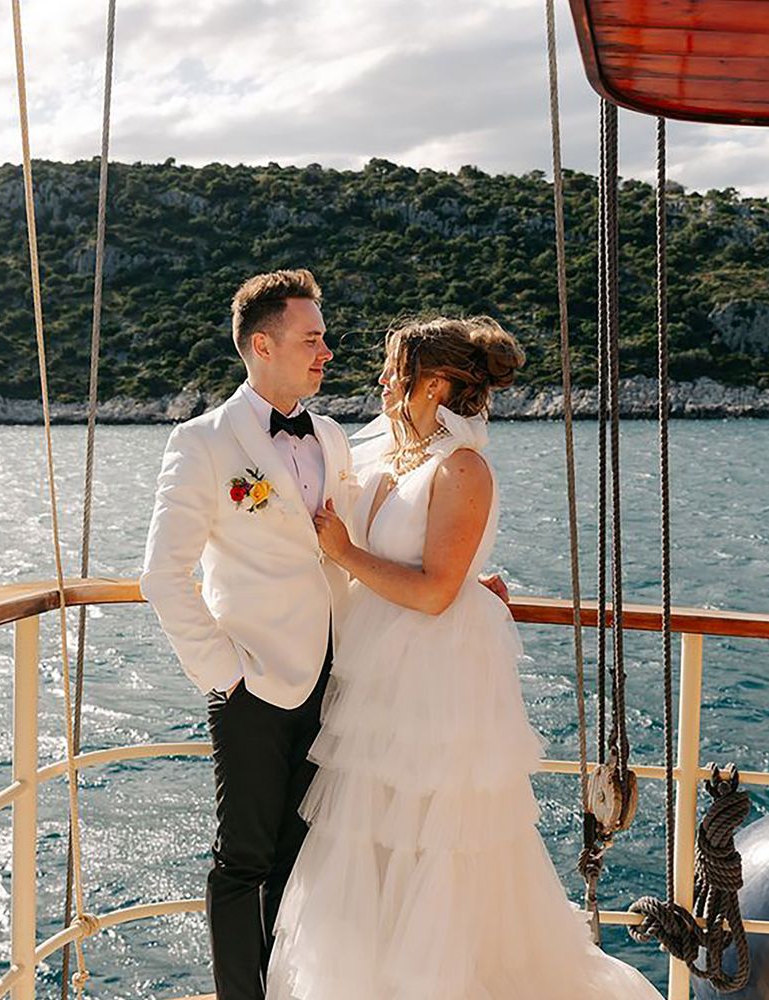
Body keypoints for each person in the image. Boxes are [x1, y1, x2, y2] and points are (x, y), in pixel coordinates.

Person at [265, 317, 664, 1000]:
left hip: (435, 678)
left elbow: (436, 593)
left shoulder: (463, 468)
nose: (383, 380)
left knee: (437, 840)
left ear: (435, 382)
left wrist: (348, 554)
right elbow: (431, 564)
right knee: (373, 833)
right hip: (378, 677)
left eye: (395, 368)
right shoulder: (394, 457)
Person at [142, 272, 507, 1000]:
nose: (327, 352)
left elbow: (376, 541)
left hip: (340, 688)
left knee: (300, 858)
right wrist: (225, 673)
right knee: (242, 861)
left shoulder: (335, 437)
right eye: (312, 339)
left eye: (325, 338)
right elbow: (161, 575)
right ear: (262, 344)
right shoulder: (204, 443)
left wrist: (472, 589)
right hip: (252, 682)